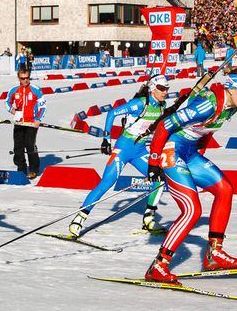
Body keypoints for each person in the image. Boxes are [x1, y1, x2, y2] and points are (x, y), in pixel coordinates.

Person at [143, 67, 237, 282]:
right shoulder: (209, 104)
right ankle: (158, 266)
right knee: (192, 210)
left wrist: (199, 154)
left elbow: (205, 131)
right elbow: (166, 125)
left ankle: (214, 253)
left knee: (225, 189)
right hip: (171, 150)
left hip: (189, 153)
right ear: (231, 88)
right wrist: (154, 161)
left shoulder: (231, 107)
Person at [70, 75, 170, 236]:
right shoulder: (139, 104)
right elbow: (112, 114)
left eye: (167, 89)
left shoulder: (162, 106)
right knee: (107, 182)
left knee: (158, 179)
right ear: (152, 89)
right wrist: (106, 139)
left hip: (140, 151)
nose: (165, 92)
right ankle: (79, 218)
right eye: (162, 88)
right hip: (123, 148)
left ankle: (148, 219)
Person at [6, 68, 45, 179]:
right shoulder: (14, 90)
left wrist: (38, 119)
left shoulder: (35, 89)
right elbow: (7, 101)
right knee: (18, 147)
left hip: (32, 122)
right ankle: (21, 169)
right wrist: (12, 110)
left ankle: (33, 169)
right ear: (19, 78)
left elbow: (43, 106)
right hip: (19, 121)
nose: (25, 80)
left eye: (27, 78)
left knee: (29, 145)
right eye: (23, 78)